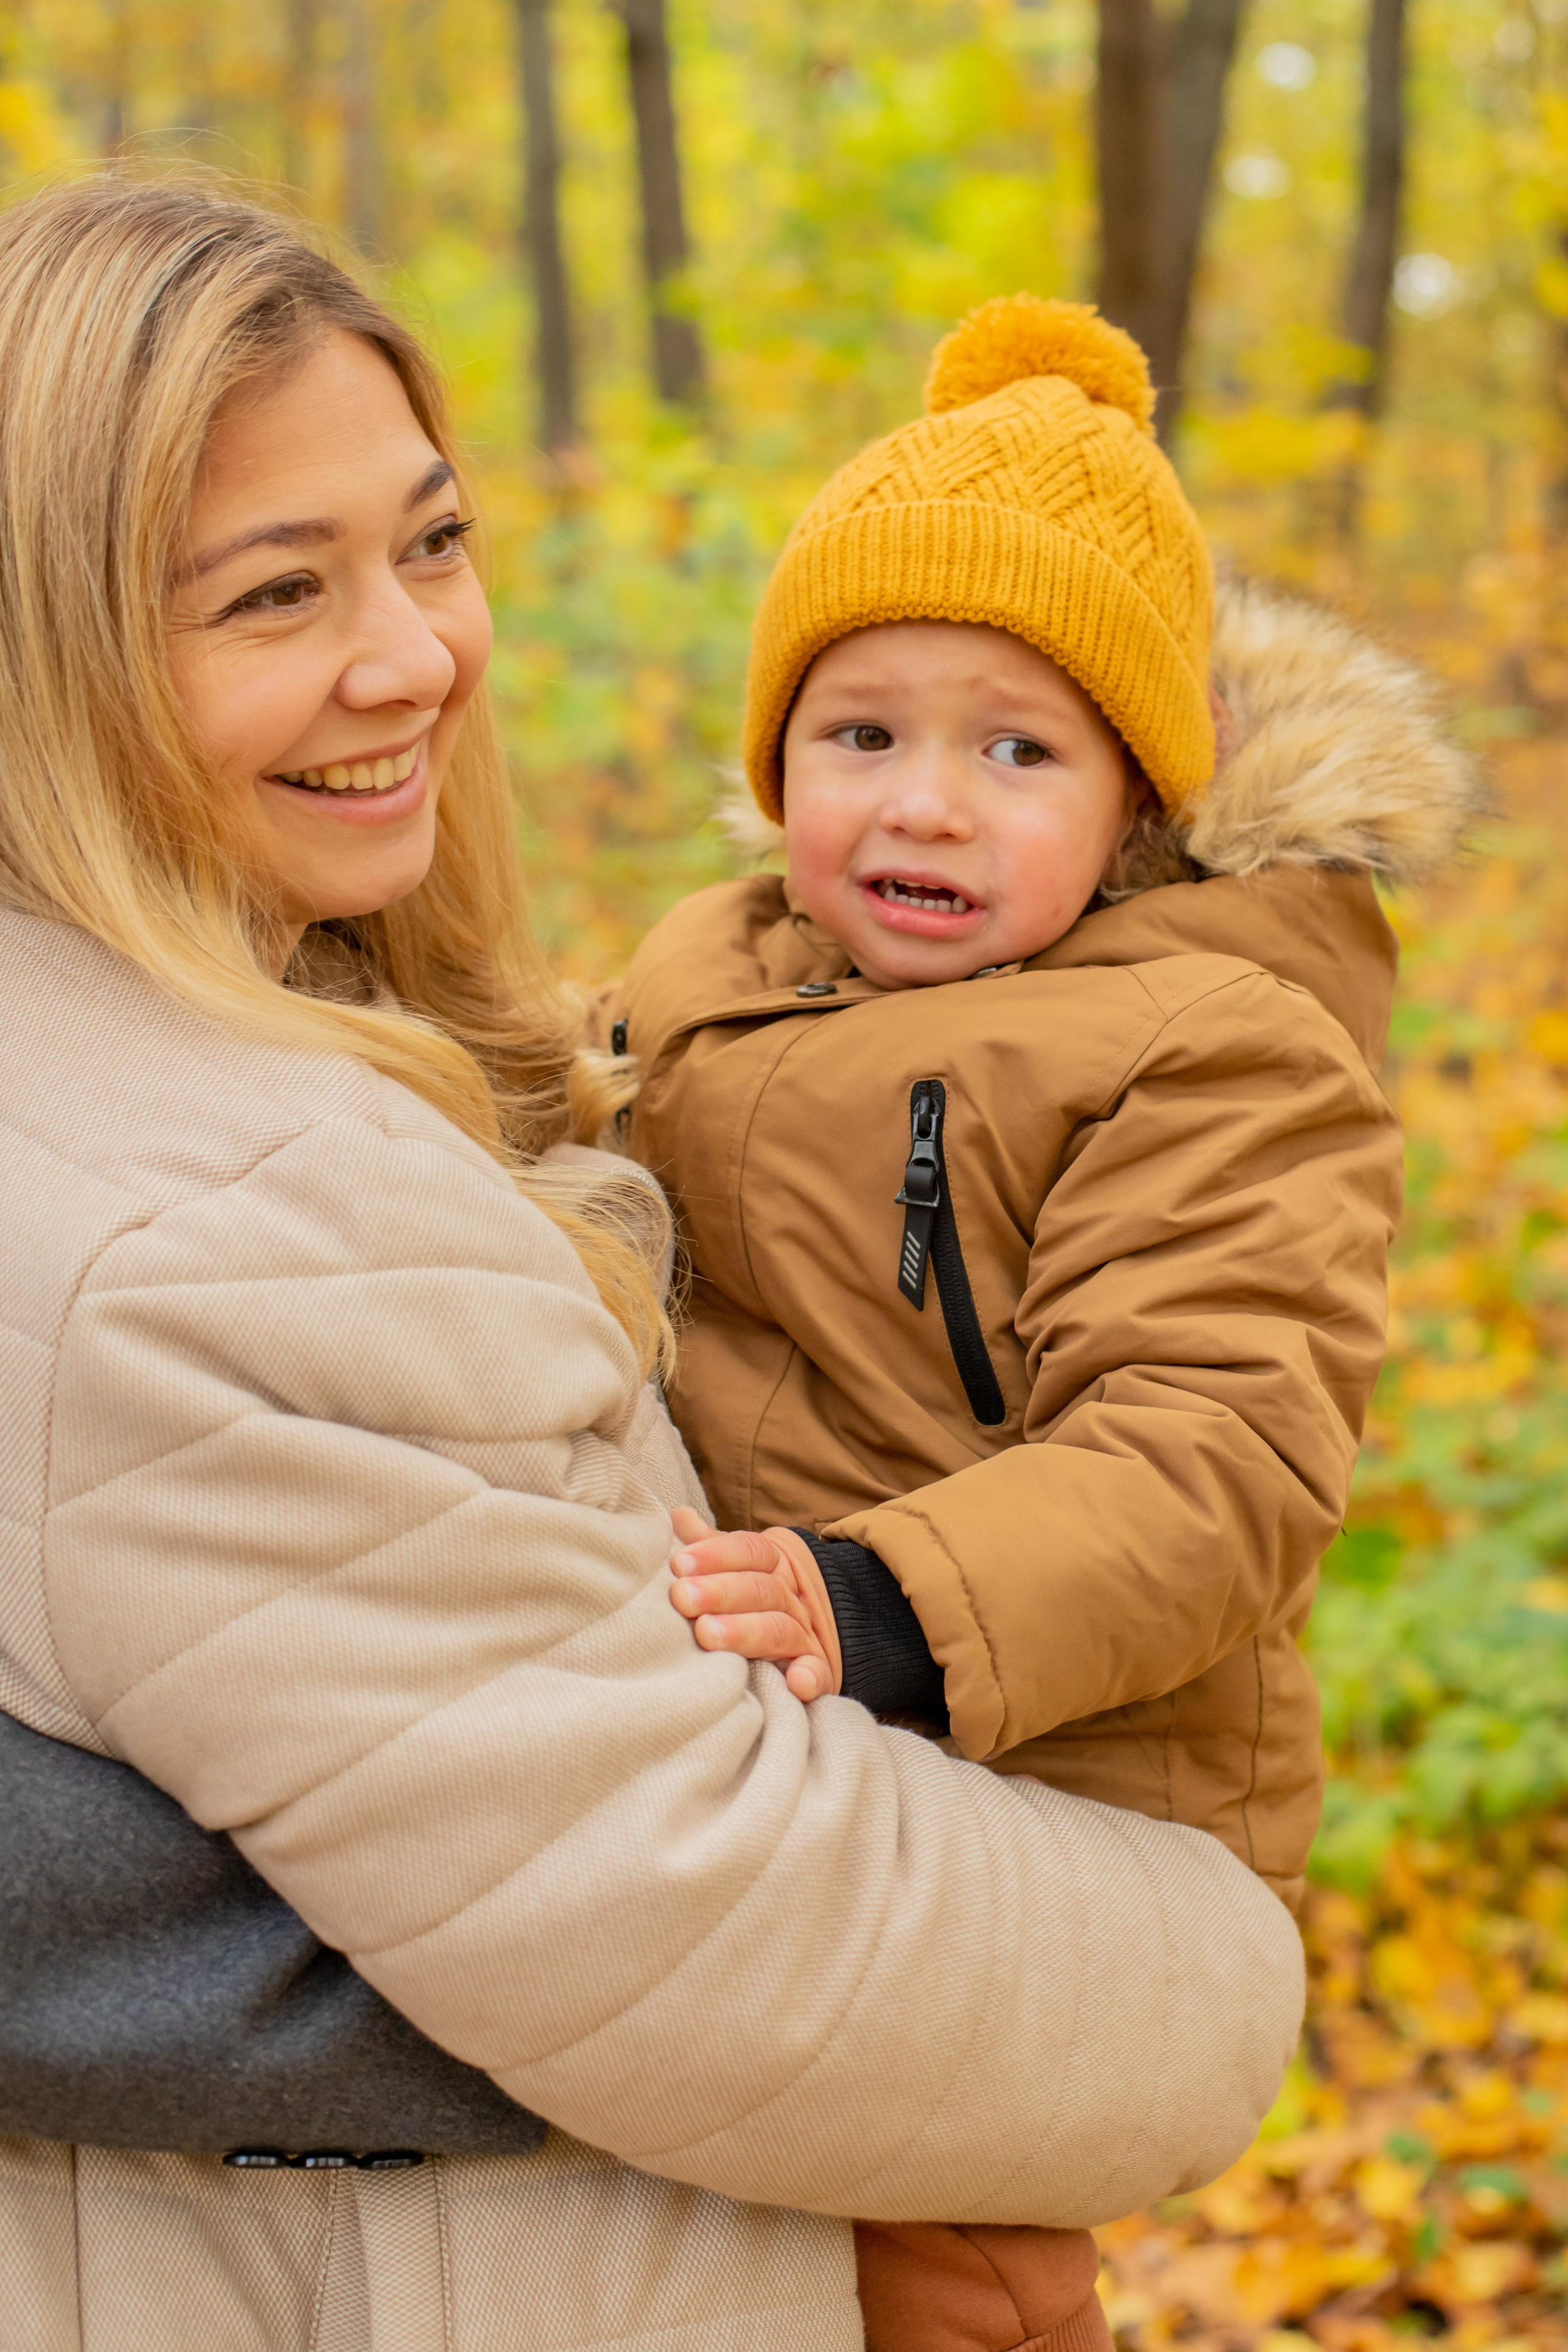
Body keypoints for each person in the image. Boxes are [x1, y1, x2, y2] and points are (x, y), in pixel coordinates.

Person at [0, 182, 1307, 2351]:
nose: (416, 654)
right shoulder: (225, 1235)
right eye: (272, 593)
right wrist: (1218, 1969)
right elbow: (709, 1926)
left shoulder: (276, 1038)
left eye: (431, 541)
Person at [613, 297, 1476, 2352]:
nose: (923, 805)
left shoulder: (1209, 1047)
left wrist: (893, 1592)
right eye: (861, 735)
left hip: (1074, 1792)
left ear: (1137, 805)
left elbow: (1215, 1453)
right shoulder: (716, 975)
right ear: (779, 759)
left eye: (1016, 749)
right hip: (791, 1748)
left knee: (950, 2272)